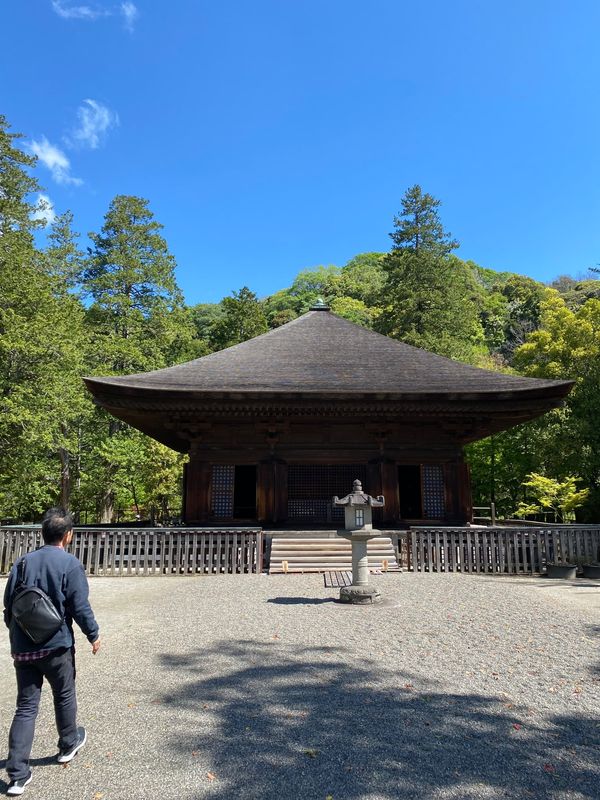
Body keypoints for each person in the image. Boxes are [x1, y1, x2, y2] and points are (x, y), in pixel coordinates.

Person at [3, 507, 101, 796]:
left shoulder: (22, 563)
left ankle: (17, 776)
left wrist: (19, 636)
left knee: (26, 706)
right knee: (64, 693)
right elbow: (79, 607)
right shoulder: (69, 564)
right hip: (56, 644)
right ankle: (68, 744)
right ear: (68, 535)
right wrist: (93, 634)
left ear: (43, 533)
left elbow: (9, 605)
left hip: (24, 647)